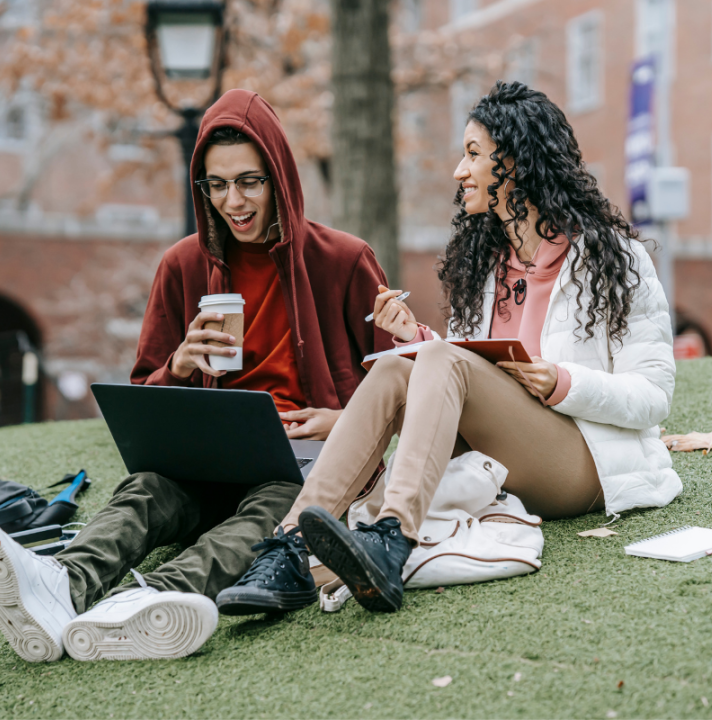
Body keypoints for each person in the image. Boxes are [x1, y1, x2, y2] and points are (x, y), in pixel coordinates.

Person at [0, 89, 393, 662]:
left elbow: (399, 386)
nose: (233, 201)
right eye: (217, 184)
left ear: (279, 176)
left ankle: (148, 602)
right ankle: (61, 584)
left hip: (303, 465)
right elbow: (144, 401)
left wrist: (343, 420)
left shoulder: (344, 260)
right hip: (206, 461)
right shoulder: (183, 265)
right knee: (147, 490)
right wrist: (178, 367)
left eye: (249, 181)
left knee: (270, 508)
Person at [218, 81, 682, 615]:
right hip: (503, 453)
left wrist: (562, 382)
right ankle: (289, 547)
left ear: (518, 164)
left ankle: (392, 535)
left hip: (586, 461)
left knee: (432, 359)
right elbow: (464, 366)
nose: (460, 171)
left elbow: (653, 396)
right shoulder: (484, 263)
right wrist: (415, 339)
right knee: (396, 365)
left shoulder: (613, 259)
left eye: (474, 155)